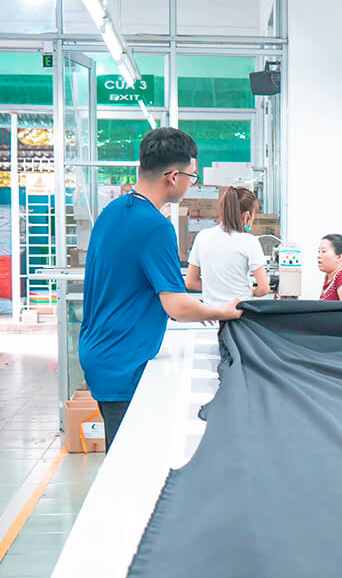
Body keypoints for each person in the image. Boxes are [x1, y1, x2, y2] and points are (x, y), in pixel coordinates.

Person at [78, 127, 242, 448]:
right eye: (192, 177)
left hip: (102, 351)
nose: (191, 184)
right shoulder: (155, 226)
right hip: (122, 361)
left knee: (124, 452)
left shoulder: (114, 211)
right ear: (173, 176)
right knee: (129, 460)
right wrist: (222, 311)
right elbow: (176, 306)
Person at [185, 186, 271, 306]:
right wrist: (250, 291)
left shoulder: (202, 237)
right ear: (247, 216)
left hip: (211, 313)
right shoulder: (249, 241)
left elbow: (191, 282)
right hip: (240, 313)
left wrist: (217, 288)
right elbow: (264, 288)